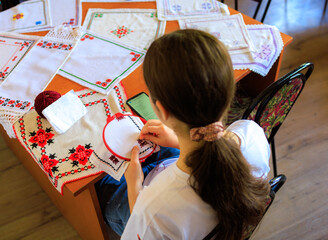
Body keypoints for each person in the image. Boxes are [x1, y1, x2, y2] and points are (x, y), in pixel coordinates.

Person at [95, 29, 271, 240]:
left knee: (104, 185)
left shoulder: (153, 209)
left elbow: (141, 224)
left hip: (155, 207)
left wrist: (134, 189)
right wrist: (177, 141)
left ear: (162, 110)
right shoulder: (251, 134)